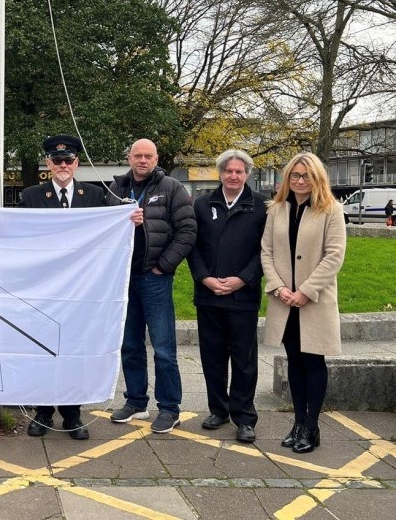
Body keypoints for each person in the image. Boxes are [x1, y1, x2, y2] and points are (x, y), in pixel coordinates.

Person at [107, 138, 196, 433]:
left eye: (148, 156)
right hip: (123, 279)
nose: (142, 160)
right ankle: (136, 401)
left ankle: (170, 408)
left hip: (154, 278)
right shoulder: (116, 188)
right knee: (129, 345)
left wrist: (164, 266)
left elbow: (187, 230)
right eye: (137, 155)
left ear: (156, 159)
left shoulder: (171, 188)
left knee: (163, 348)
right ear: (129, 158)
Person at [18, 134, 104, 440]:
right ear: (48, 163)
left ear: (77, 163)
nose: (63, 165)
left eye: (68, 160)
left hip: (81, 290)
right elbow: (20, 238)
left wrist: (128, 218)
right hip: (44, 290)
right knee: (41, 349)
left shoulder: (94, 196)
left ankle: (72, 414)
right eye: (57, 160)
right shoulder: (31, 196)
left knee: (74, 351)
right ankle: (43, 413)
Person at [261, 152, 346, 454]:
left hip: (314, 301)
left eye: (305, 175)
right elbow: (266, 252)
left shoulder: (331, 210)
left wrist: (305, 291)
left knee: (313, 362)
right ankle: (297, 422)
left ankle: (312, 426)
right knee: (294, 362)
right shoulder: (277, 209)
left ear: (317, 178)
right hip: (285, 301)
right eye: (294, 175)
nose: (299, 180)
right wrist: (279, 287)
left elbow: (334, 256)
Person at [187, 150, 267, 443]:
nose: (233, 176)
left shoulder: (259, 206)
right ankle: (218, 410)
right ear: (219, 173)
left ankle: (244, 417)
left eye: (239, 172)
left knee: (244, 360)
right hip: (208, 295)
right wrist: (205, 278)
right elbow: (191, 245)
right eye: (228, 171)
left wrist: (242, 279)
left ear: (247, 174)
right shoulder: (202, 204)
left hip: (242, 297)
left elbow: (265, 250)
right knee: (213, 357)